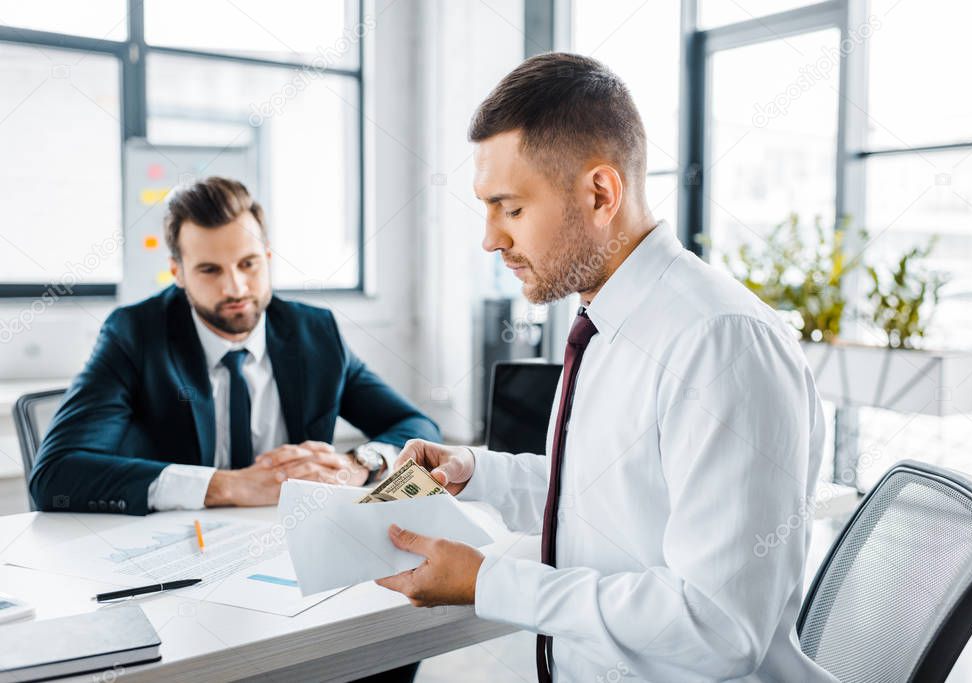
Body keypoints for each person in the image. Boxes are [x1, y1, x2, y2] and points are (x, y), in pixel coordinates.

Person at [375, 53, 837, 682]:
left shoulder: (720, 343)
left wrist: (491, 583)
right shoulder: (609, 318)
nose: (490, 239)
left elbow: (717, 626)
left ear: (600, 194)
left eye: (510, 209)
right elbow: (611, 501)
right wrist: (477, 471)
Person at [30, 177, 440, 516]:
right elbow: (56, 475)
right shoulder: (135, 334)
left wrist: (358, 465)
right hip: (180, 551)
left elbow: (418, 428)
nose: (235, 288)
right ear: (178, 272)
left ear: (267, 256)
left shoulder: (314, 332)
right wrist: (229, 486)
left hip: (291, 543)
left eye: (248, 264)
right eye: (209, 270)